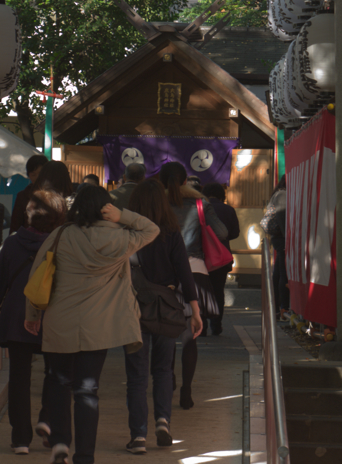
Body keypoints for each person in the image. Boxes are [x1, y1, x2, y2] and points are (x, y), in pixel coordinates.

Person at [25, 185, 160, 464]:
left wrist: (32, 315)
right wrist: (121, 215)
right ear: (104, 208)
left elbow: (38, 274)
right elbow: (151, 229)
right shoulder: (120, 238)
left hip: (60, 321)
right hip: (98, 327)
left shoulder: (61, 235)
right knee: (87, 390)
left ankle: (60, 443)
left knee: (60, 383)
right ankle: (84, 455)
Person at [0, 189, 67, 454]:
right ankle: (47, 419)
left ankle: (20, 439)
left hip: (17, 317)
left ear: (29, 214)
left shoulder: (13, 243)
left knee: (19, 377)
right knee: (57, 373)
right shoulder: (63, 243)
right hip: (54, 317)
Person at [123, 180, 202, 454]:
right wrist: (195, 310)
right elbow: (184, 273)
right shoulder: (170, 233)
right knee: (163, 370)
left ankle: (138, 437)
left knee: (136, 375)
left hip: (133, 308)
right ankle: (163, 421)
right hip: (167, 310)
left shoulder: (127, 234)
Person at [156, 161, 227, 409]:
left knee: (165, 333)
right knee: (190, 336)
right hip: (195, 271)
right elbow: (222, 233)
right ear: (186, 181)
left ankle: (169, 379)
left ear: (161, 182)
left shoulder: (157, 204)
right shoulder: (201, 203)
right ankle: (187, 391)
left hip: (162, 275)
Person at [201, 182, 240, 336]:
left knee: (201, 290)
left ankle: (201, 325)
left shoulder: (199, 208)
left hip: (202, 255)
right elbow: (235, 233)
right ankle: (216, 324)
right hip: (221, 256)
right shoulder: (229, 210)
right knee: (218, 291)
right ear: (221, 195)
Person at [261, 175, 288, 321]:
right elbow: (283, 219)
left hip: (277, 237)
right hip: (282, 238)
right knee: (283, 273)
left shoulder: (278, 193)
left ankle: (276, 307)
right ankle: (283, 307)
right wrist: (288, 240)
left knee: (278, 272)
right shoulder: (283, 194)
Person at [10, 154, 49, 232]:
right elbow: (15, 226)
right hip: (28, 241)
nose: (38, 177)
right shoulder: (22, 196)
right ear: (29, 176)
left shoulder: (55, 195)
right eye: (33, 175)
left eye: (40, 173)